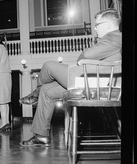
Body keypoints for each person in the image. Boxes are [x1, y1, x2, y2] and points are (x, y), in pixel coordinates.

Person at [19, 8, 122, 147]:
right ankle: (41, 135)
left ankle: (36, 92)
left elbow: (86, 55)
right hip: (93, 82)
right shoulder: (112, 39)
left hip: (95, 84)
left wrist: (83, 57)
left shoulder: (115, 36)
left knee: (49, 65)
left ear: (108, 25)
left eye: (97, 25)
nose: (95, 28)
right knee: (47, 91)